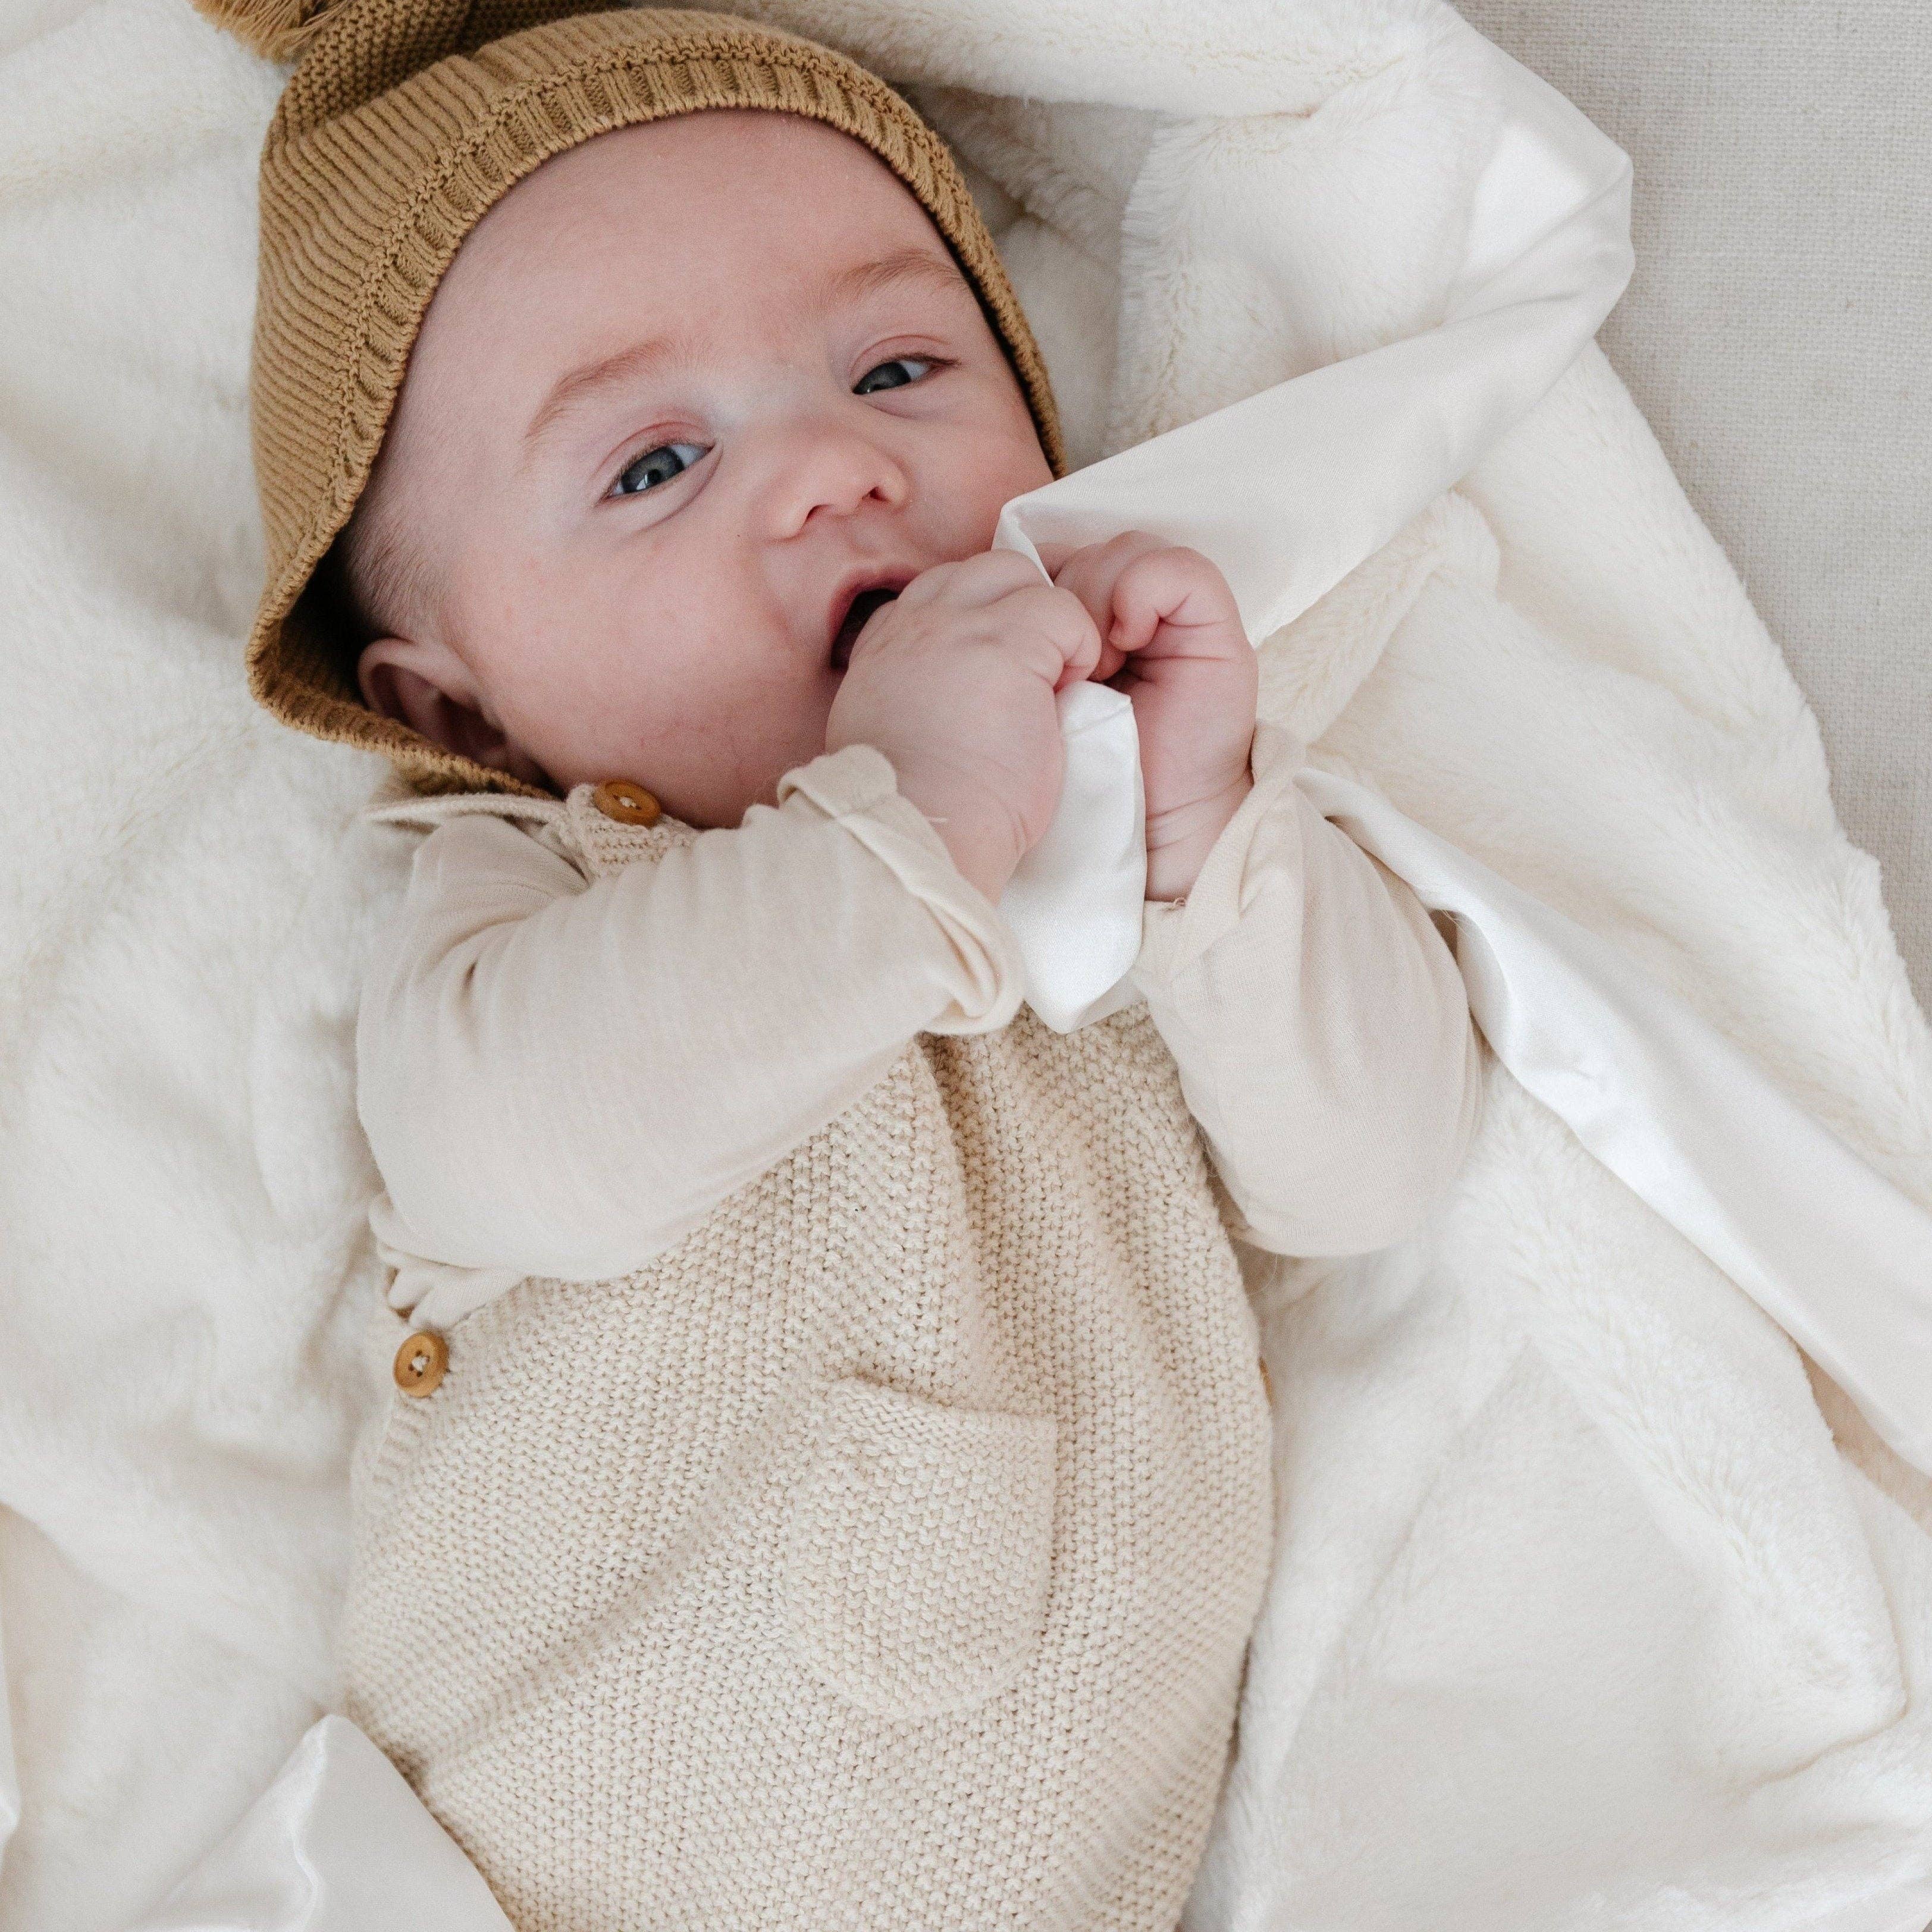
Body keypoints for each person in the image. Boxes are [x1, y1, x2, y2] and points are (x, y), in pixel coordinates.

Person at [211, 0, 1482, 1921]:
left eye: (899, 365)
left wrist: (1213, 824)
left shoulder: (1119, 832)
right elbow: (526, 1152)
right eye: (654, 467)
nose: (831, 467)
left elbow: (1379, 1170)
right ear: (454, 710)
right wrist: (895, 830)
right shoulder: (535, 903)